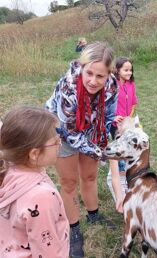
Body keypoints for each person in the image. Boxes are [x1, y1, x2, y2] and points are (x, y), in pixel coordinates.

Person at [46, 42, 118, 258]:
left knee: (89, 176)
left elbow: (108, 117)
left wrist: (113, 134)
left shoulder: (113, 85)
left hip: (91, 130)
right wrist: (100, 153)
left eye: (100, 76)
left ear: (109, 75)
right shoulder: (69, 87)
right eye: (89, 73)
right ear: (81, 66)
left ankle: (93, 214)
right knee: (69, 183)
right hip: (62, 131)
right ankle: (73, 228)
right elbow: (69, 132)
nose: (93, 81)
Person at [0, 107, 69, 257]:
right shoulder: (41, 198)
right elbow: (48, 252)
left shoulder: (8, 169)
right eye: (56, 142)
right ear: (34, 154)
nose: (60, 144)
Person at [106, 57, 138, 213]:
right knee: (116, 150)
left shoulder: (131, 84)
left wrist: (129, 119)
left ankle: (124, 174)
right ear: (117, 70)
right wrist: (113, 118)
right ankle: (115, 176)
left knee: (127, 150)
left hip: (126, 125)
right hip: (113, 125)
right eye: (126, 69)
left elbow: (133, 103)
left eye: (130, 69)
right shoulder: (112, 85)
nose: (129, 72)